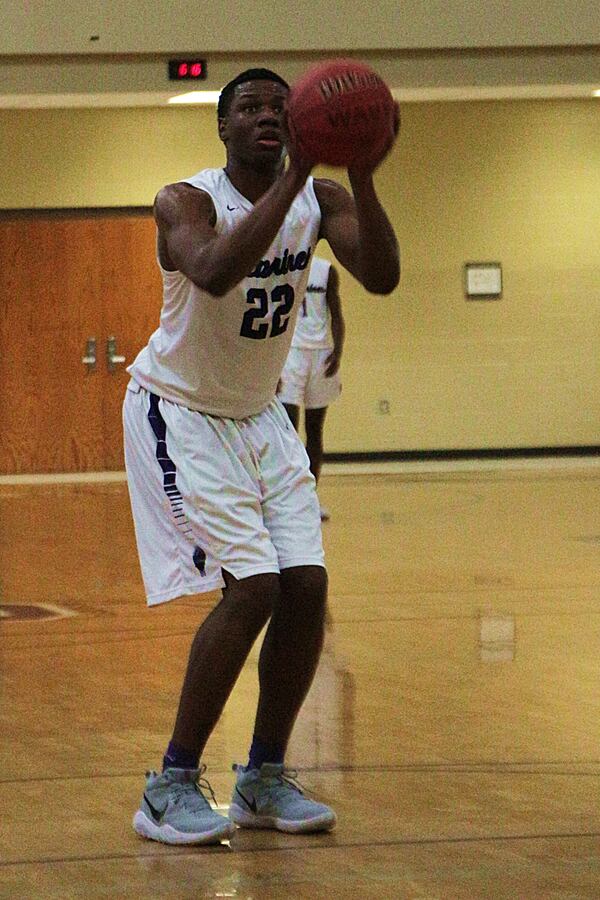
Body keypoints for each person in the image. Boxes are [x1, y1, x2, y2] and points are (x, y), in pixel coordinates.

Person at [123, 67, 400, 846]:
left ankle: (264, 779)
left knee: (306, 586)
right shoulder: (187, 200)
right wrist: (304, 172)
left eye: (283, 105)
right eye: (252, 107)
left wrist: (364, 176)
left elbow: (380, 276)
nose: (271, 116)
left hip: (259, 416)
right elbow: (211, 272)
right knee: (253, 588)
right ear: (224, 127)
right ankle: (170, 784)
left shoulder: (323, 200)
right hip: (178, 411)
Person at [278, 255, 345, 521]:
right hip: (290, 353)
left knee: (315, 432)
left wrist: (338, 351)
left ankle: (310, 499)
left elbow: (336, 314)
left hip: (320, 354)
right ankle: (286, 500)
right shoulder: (282, 265)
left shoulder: (327, 270)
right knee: (288, 433)